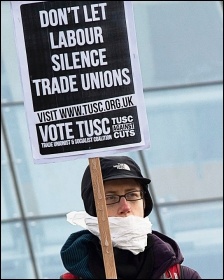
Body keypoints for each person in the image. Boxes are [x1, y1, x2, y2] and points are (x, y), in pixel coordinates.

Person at [60, 156, 202, 279]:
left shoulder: (182, 276)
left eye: (132, 195)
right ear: (93, 209)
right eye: (110, 198)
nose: (125, 207)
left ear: (144, 202)